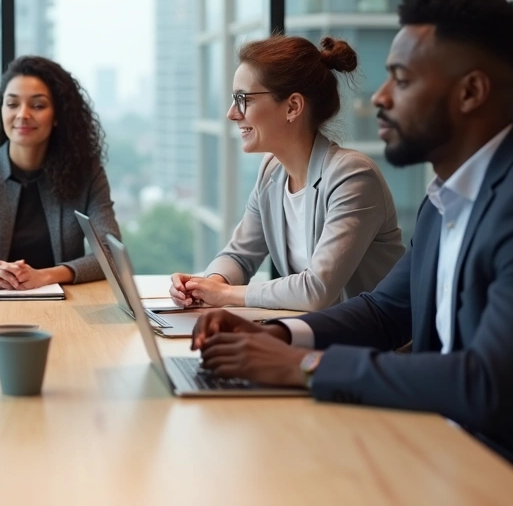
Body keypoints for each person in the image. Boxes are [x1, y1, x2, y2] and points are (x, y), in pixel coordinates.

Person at [191, 0, 513, 480]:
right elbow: (385, 311)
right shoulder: (446, 201)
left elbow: (485, 383)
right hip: (442, 455)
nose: (380, 97)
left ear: (470, 92)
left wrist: (302, 366)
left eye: (403, 79)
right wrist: (278, 335)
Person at [170, 36, 405, 312]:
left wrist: (223, 294)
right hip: (312, 338)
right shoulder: (272, 173)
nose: (232, 114)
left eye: (242, 99)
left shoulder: (352, 177)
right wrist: (206, 285)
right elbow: (239, 256)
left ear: (292, 107)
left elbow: (315, 290)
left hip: (371, 348)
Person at [0, 55, 120, 290]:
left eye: (38, 105)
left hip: (65, 308)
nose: (22, 114)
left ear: (57, 115)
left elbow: (111, 254)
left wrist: (46, 276)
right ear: (1, 110)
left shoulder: (87, 174)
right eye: (12, 104)